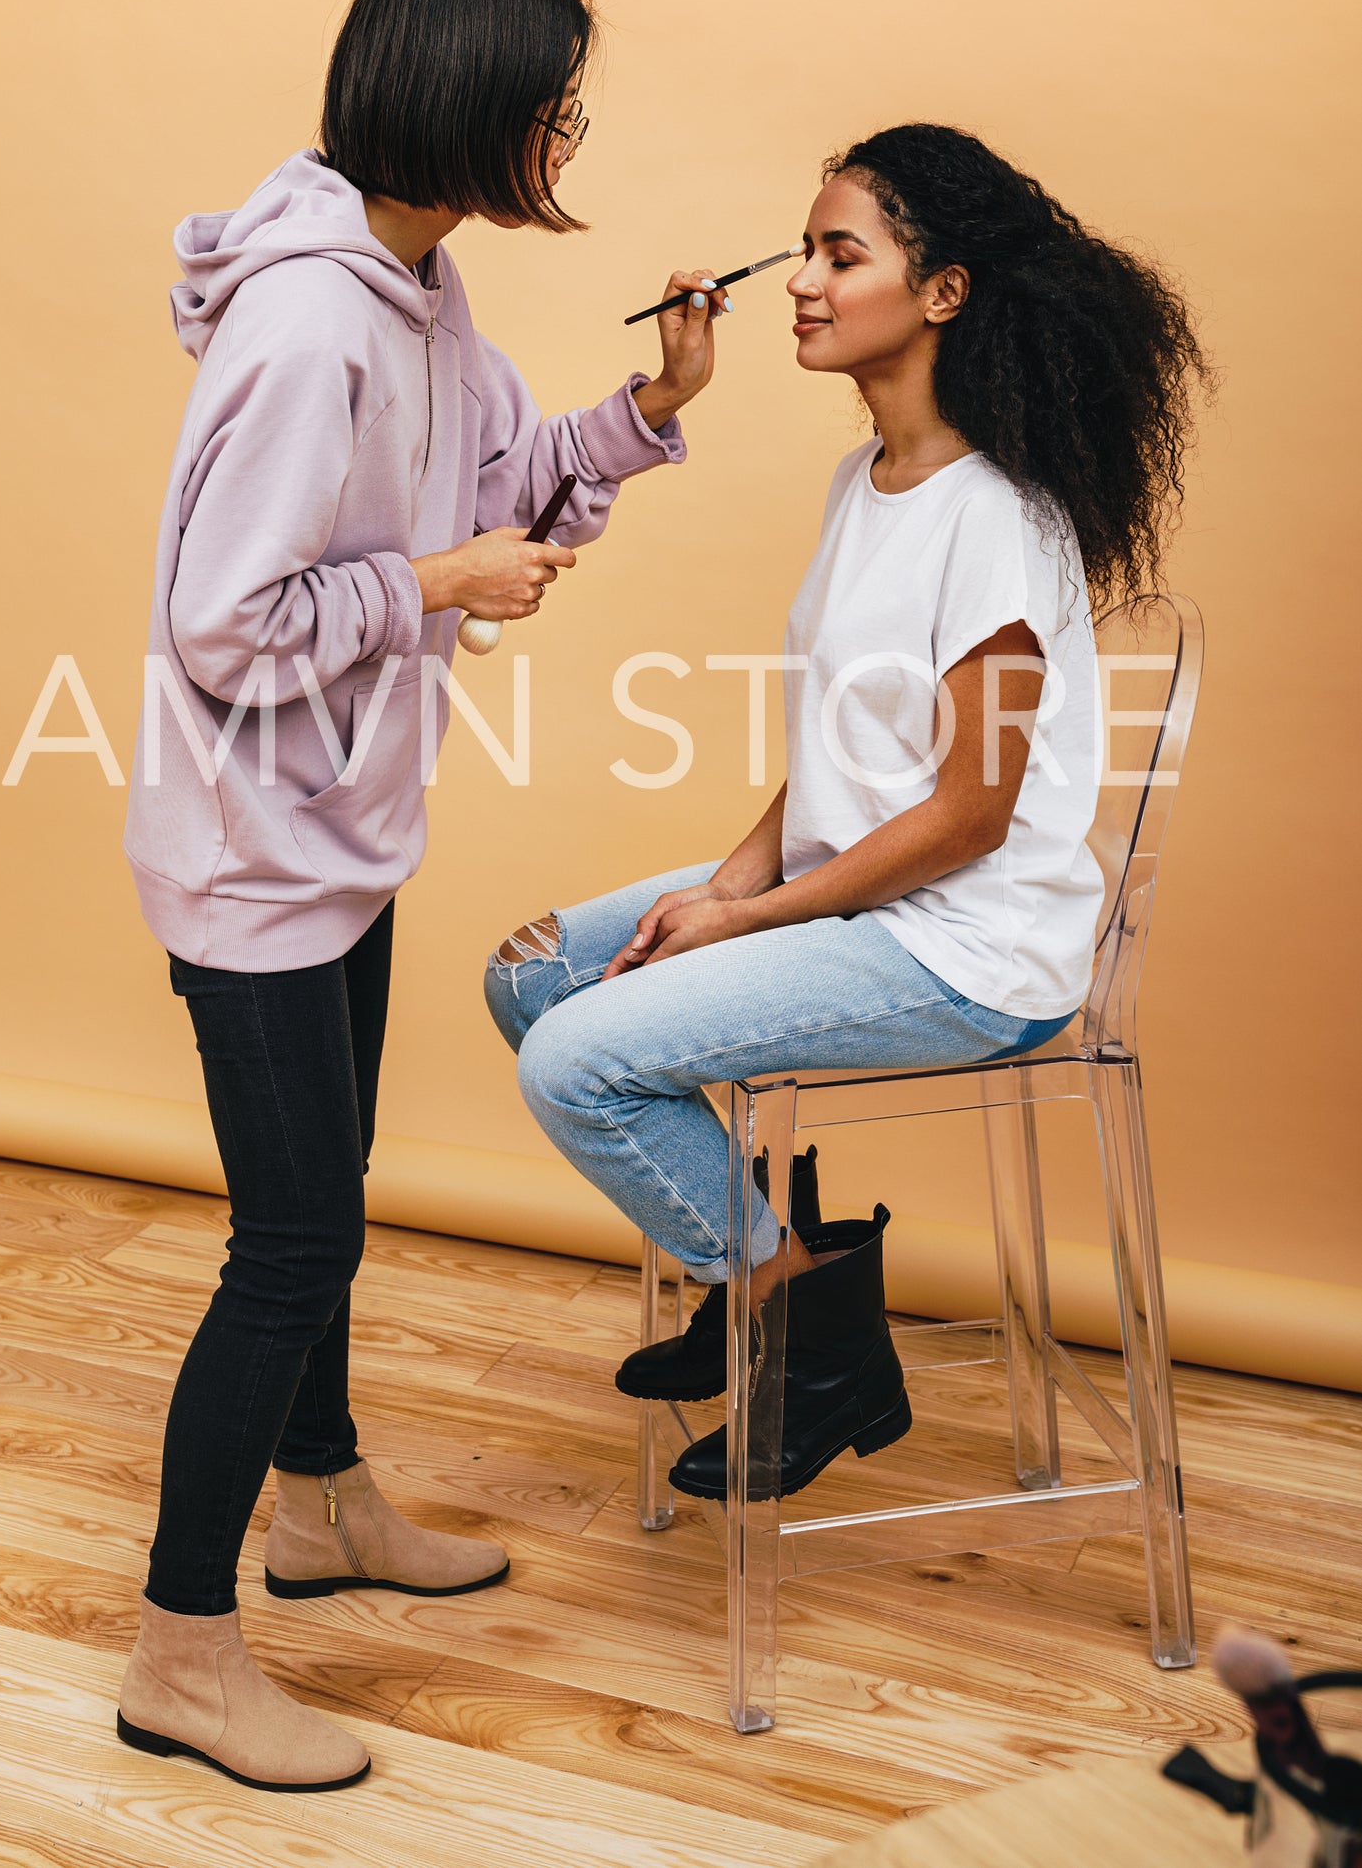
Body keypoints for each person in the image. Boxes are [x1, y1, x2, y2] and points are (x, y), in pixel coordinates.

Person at [116, 0, 728, 1792]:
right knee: (289, 1244)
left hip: (336, 840)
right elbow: (226, 623)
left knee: (329, 1206)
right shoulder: (315, 322)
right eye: (548, 104)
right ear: (465, 105)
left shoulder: (417, 283)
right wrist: (433, 586)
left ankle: (321, 1504)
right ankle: (179, 1653)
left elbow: (484, 487)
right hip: (251, 861)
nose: (564, 132)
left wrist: (647, 413)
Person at [486, 122, 1211, 1506]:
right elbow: (838, 744)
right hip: (853, 890)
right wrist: (730, 881)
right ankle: (757, 1255)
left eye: (839, 254)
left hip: (963, 945)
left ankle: (802, 1330)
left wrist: (740, 915)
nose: (802, 284)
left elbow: (968, 817)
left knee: (574, 1063)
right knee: (530, 975)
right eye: (804, 253)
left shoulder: (991, 517)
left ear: (940, 292)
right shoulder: (862, 481)